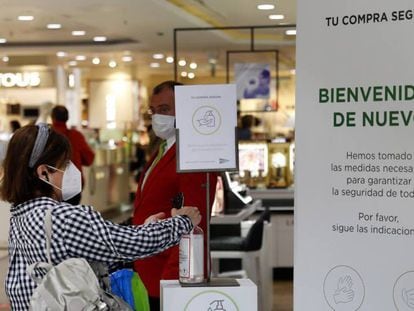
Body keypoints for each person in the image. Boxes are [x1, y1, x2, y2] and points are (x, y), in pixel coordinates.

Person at [1, 124, 201, 310]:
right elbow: (130, 245)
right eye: (64, 165)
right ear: (44, 173)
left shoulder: (20, 216)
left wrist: (146, 227)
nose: (72, 170)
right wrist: (183, 222)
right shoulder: (62, 217)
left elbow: (98, 250)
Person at [132, 81, 218, 310]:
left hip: (169, 275)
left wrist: (173, 283)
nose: (157, 117)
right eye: (154, 111)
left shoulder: (194, 156)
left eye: (165, 110)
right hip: (148, 271)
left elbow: (195, 225)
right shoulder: (163, 149)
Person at [51, 105, 95, 205]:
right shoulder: (76, 136)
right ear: (67, 118)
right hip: (73, 187)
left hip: (50, 187)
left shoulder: (46, 134)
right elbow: (89, 159)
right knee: (71, 217)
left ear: (52, 118)